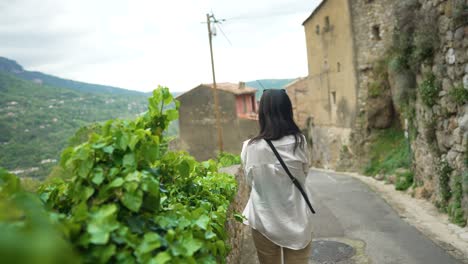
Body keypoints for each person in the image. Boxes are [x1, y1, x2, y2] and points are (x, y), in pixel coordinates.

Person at [240, 89, 313, 264]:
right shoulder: (299, 143)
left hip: (263, 220)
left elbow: (250, 182)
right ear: (288, 110)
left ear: (262, 113)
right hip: (297, 220)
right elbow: (304, 173)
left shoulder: (250, 148)